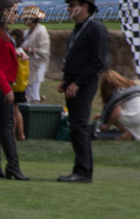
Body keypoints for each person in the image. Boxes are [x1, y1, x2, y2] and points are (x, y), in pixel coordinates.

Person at [57, 0, 108, 182]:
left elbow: (98, 62)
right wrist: (67, 80)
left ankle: (83, 171)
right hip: (73, 83)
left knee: (79, 126)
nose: (69, 8)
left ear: (85, 6)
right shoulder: (79, 28)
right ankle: (80, 169)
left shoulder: (96, 28)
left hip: (84, 85)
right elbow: (76, 57)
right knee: (75, 126)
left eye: (72, 5)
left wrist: (77, 82)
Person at [0, 0, 28, 179]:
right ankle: (12, 165)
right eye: (13, 11)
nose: (15, 15)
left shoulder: (2, 34)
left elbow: (0, 59)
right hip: (0, 83)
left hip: (2, 82)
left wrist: (17, 52)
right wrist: (6, 89)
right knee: (6, 123)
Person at [97, 69, 140, 140]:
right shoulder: (131, 87)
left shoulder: (117, 94)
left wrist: (107, 125)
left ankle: (126, 132)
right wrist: (101, 115)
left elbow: (116, 113)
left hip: (135, 118)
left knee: (113, 116)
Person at [20, 6, 49, 103]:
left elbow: (44, 51)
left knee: (33, 91)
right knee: (27, 91)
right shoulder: (28, 32)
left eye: (25, 18)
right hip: (27, 65)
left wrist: (28, 50)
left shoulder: (41, 31)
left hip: (37, 66)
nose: (24, 20)